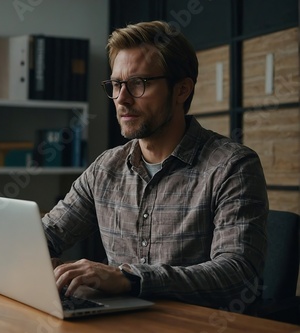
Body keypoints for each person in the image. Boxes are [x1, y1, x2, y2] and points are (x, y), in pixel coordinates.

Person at [42, 20, 268, 311]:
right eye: (115, 84)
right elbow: (46, 235)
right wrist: (41, 262)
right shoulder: (104, 169)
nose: (121, 99)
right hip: (118, 323)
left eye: (138, 83)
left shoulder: (232, 166)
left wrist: (129, 279)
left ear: (181, 90)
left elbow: (238, 274)